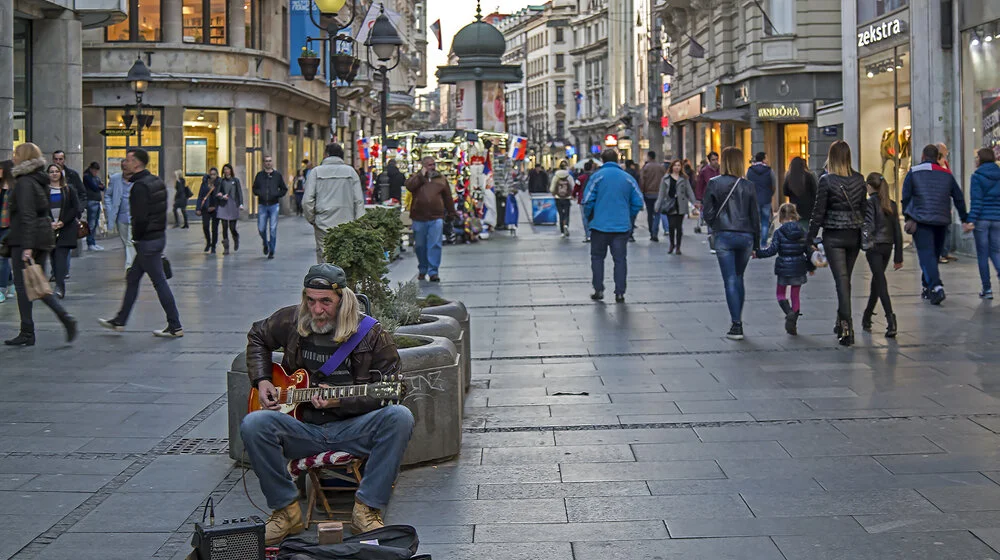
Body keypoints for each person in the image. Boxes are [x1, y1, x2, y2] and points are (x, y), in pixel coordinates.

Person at [240, 264, 413, 544]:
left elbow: (396, 389)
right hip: (302, 428)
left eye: (325, 302)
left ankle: (367, 509)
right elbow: (258, 335)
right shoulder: (292, 320)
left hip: (352, 429)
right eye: (310, 300)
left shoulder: (371, 334)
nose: (316, 310)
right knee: (254, 423)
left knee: (400, 417)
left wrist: (339, 401)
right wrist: (262, 380)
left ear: (342, 300)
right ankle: (285, 511)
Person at [98, 148, 183, 338]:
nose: (124, 163)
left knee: (159, 282)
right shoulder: (156, 181)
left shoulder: (140, 186)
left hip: (146, 242)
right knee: (133, 279)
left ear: (136, 163)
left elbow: (140, 218)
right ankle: (120, 320)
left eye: (128, 160)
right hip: (157, 238)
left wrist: (136, 238)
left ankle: (175, 325)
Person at [3, 143, 77, 346]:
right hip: (41, 236)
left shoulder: (25, 182)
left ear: (24, 157)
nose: (14, 157)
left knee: (24, 285)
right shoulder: (37, 179)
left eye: (17, 153)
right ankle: (50, 323)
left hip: (28, 238)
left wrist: (26, 246)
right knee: (37, 284)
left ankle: (30, 330)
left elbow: (27, 214)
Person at [808, 140, 867, 346]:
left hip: (833, 236)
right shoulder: (860, 179)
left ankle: (846, 327)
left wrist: (810, 237)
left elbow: (818, 211)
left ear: (831, 157)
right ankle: (840, 319)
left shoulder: (827, 180)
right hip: (854, 235)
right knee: (845, 280)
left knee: (841, 282)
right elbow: (864, 209)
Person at [902, 144, 973, 305]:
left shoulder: (913, 172)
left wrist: (908, 216)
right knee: (932, 255)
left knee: (926, 255)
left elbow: (905, 196)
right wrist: (964, 219)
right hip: (941, 220)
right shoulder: (946, 174)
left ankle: (936, 286)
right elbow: (958, 197)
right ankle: (927, 287)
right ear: (937, 157)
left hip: (921, 220)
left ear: (922, 156)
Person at [702, 147, 760, 340]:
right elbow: (755, 217)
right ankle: (738, 320)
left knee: (730, 279)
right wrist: (757, 245)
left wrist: (715, 225)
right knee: (738, 276)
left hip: (724, 235)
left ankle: (737, 324)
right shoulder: (748, 185)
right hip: (745, 237)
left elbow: (707, 212)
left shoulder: (714, 183)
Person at [583, 148, 644, 303]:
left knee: (597, 258)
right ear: (617, 160)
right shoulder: (627, 178)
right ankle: (620, 292)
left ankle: (598, 289)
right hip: (621, 226)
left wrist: (591, 216)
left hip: (599, 226)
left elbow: (587, 200)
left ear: (602, 160)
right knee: (620, 259)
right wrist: (628, 215)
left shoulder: (597, 177)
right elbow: (638, 201)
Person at [757, 203, 814, 336]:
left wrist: (758, 253)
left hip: (783, 266)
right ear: (795, 215)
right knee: (795, 295)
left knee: (780, 294)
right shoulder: (802, 231)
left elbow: (772, 250)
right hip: (799, 266)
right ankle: (793, 320)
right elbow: (809, 251)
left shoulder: (779, 232)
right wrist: (811, 267)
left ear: (781, 217)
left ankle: (789, 313)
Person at [304, 143, 365, 264]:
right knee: (345, 256)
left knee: (324, 255)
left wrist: (312, 219)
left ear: (326, 155)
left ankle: (326, 281)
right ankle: (341, 280)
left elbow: (307, 201)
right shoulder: (351, 172)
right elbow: (358, 200)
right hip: (347, 222)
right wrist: (358, 223)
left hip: (323, 222)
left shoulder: (316, 172)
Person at [861, 173, 904, 338]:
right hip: (887, 247)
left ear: (870, 186)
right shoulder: (891, 204)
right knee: (877, 281)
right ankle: (867, 316)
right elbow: (898, 233)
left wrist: (864, 244)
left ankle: (890, 319)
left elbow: (869, 226)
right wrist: (898, 256)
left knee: (880, 282)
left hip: (875, 247)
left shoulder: (870, 203)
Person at [405, 156, 457, 281]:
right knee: (420, 246)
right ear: (423, 166)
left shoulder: (441, 179)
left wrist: (451, 213)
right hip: (419, 217)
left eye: (433, 164)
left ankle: (433, 271)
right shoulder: (416, 178)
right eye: (429, 165)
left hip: (436, 217)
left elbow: (448, 197)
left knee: (435, 244)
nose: (432, 167)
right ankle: (422, 269)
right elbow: (409, 187)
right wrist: (421, 176)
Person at [46, 163, 81, 299]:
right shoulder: (44, 190)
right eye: (51, 172)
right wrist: (50, 222)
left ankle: (60, 287)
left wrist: (62, 222)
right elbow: (41, 208)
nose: (54, 174)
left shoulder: (68, 189)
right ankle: (56, 278)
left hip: (65, 229)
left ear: (61, 174)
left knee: (60, 257)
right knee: (53, 258)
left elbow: (75, 208)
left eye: (56, 171)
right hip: (49, 229)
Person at [970, 148, 1000, 300]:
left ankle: (987, 289)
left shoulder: (977, 176)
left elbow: (977, 201)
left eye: (976, 157)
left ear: (981, 159)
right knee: (996, 252)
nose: (975, 160)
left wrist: (971, 220)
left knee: (983, 255)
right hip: (997, 219)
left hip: (982, 220)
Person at [655, 159, 696, 255]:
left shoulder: (684, 178)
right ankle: (671, 244)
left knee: (679, 226)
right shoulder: (666, 178)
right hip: (670, 204)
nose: (677, 167)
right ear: (672, 167)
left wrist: (694, 202)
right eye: (675, 165)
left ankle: (678, 246)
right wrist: (657, 205)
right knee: (671, 226)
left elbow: (689, 191)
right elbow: (661, 193)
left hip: (680, 204)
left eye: (679, 165)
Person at [252, 155, 288, 260]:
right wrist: (260, 193)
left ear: (272, 162)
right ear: (263, 163)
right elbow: (254, 189)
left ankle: (271, 250)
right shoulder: (259, 175)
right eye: (266, 161)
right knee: (261, 228)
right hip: (262, 205)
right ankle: (265, 243)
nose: (268, 163)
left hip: (274, 205)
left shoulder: (277, 175)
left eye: (270, 161)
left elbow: (284, 189)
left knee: (272, 228)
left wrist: (276, 194)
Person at [105, 169, 135, 271]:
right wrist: (110, 209)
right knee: (125, 241)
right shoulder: (115, 179)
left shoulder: (138, 180)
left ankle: (129, 266)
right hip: (121, 216)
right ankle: (132, 261)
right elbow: (108, 195)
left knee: (130, 241)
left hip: (133, 215)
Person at [747, 152, 777, 248]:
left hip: (753, 199)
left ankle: (755, 243)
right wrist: (770, 194)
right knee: (765, 222)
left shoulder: (750, 170)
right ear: (763, 159)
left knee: (755, 222)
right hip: (766, 199)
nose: (767, 160)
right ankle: (763, 243)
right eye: (766, 158)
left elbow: (746, 184)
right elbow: (773, 184)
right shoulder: (769, 170)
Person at [215, 163, 244, 255]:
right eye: (225, 169)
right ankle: (226, 247)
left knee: (232, 227)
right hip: (224, 205)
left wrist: (241, 204)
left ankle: (236, 238)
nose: (226, 171)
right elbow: (217, 192)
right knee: (224, 226)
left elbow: (239, 193)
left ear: (231, 170)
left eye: (228, 169)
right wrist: (221, 196)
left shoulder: (235, 181)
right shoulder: (221, 181)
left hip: (233, 204)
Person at [783, 156, 818, 231]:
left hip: (794, 207)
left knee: (795, 230)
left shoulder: (788, 177)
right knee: (805, 229)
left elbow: (785, 192)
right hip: (807, 208)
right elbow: (815, 192)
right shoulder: (809, 176)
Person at [639, 151, 667, 242]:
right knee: (657, 213)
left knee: (650, 214)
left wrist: (642, 191)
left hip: (648, 194)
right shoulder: (661, 167)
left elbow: (642, 180)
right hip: (659, 193)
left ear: (649, 157)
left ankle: (652, 232)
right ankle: (655, 231)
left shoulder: (646, 167)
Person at [936, 142, 957, 264]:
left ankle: (945, 251)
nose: (947, 152)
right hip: (938, 200)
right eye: (945, 151)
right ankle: (939, 254)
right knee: (940, 228)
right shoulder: (935, 165)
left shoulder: (946, 164)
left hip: (946, 199)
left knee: (947, 227)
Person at [695, 152, 720, 243]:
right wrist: (699, 199)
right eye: (713, 160)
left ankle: (716, 238)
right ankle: (712, 240)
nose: (715, 162)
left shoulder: (721, 169)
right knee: (710, 219)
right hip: (708, 199)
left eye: (717, 159)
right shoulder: (704, 171)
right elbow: (700, 185)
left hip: (720, 198)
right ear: (709, 161)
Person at [52, 150, 86, 219]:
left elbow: (82, 193)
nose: (58, 162)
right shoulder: (48, 176)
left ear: (64, 160)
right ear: (53, 160)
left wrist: (79, 209)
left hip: (71, 214)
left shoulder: (72, 175)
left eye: (60, 159)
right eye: (56, 159)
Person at [82, 162, 105, 250]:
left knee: (95, 223)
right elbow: (95, 187)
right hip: (91, 201)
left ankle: (92, 242)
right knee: (91, 223)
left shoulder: (95, 177)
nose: (96, 172)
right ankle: (90, 242)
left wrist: (100, 186)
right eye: (95, 170)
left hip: (96, 201)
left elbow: (102, 187)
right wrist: (99, 186)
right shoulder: (87, 177)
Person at [197, 168, 220, 253]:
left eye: (214, 174)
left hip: (215, 208)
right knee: (205, 226)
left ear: (217, 175)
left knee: (215, 228)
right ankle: (208, 242)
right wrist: (198, 208)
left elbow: (221, 196)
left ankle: (213, 245)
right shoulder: (204, 183)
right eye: (211, 174)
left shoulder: (219, 183)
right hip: (206, 208)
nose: (212, 176)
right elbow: (200, 196)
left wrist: (215, 206)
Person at [550, 161, 576, 237]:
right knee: (567, 214)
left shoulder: (556, 176)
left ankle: (562, 232)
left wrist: (554, 193)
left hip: (558, 198)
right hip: (567, 198)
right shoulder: (569, 176)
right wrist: (572, 195)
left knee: (561, 214)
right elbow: (573, 186)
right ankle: (566, 225)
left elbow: (552, 188)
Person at [0, 160, 13, 303]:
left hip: (8, 226)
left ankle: (1, 288)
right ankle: (11, 284)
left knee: (2, 258)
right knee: (2, 258)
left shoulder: (14, 187)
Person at [574, 161, 593, 242]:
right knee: (593, 217)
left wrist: (573, 194)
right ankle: (593, 234)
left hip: (583, 199)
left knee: (585, 218)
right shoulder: (594, 177)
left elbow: (576, 188)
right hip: (593, 199)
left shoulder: (580, 178)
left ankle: (588, 235)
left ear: (584, 168)